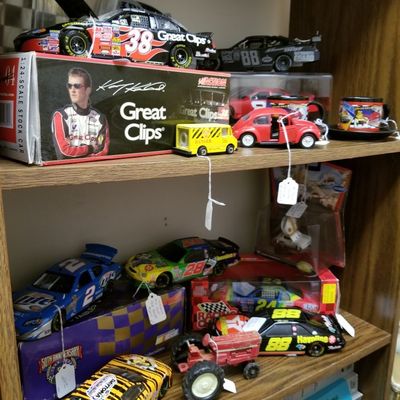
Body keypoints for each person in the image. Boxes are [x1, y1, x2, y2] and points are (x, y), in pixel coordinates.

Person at [51, 67, 110, 159]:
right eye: (69, 86)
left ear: (88, 90)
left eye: (77, 86)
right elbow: (64, 153)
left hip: (92, 167)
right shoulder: (61, 115)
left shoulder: (100, 118)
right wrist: (90, 148)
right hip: (67, 168)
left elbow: (103, 151)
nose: (72, 90)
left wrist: (75, 151)